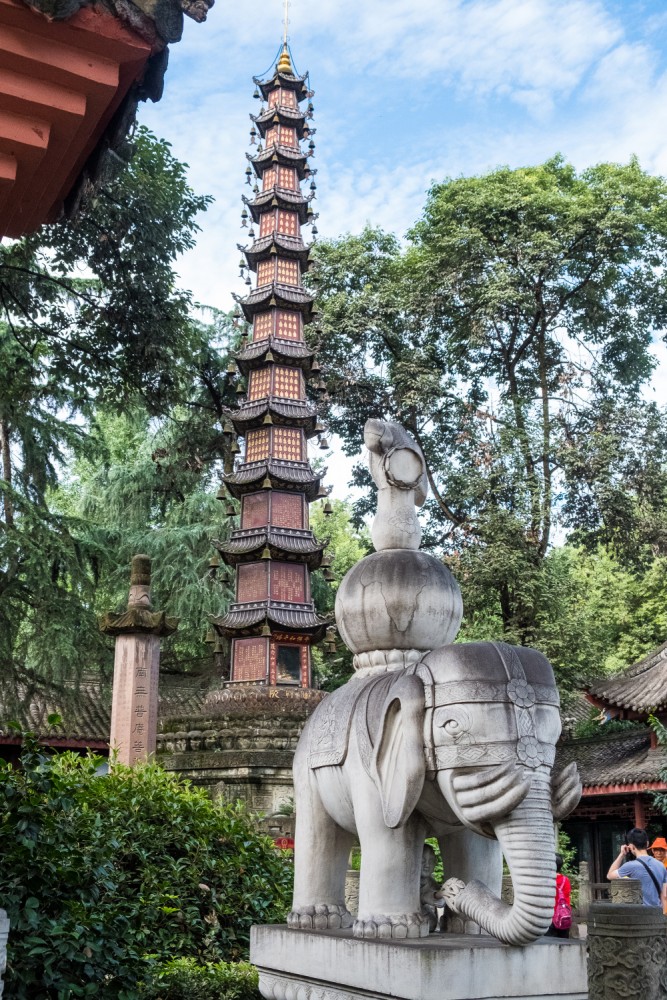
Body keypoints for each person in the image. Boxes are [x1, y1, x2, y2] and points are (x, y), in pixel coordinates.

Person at [607, 828, 667, 908]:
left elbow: (609, 875)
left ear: (631, 846)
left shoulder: (630, 866)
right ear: (647, 843)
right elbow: (664, 895)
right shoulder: (661, 865)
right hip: (657, 913)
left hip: (640, 913)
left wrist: (621, 855)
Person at [546, 853, 571, 938]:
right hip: (564, 916)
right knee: (564, 944)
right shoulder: (566, 880)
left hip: (550, 917)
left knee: (549, 944)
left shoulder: (547, 881)